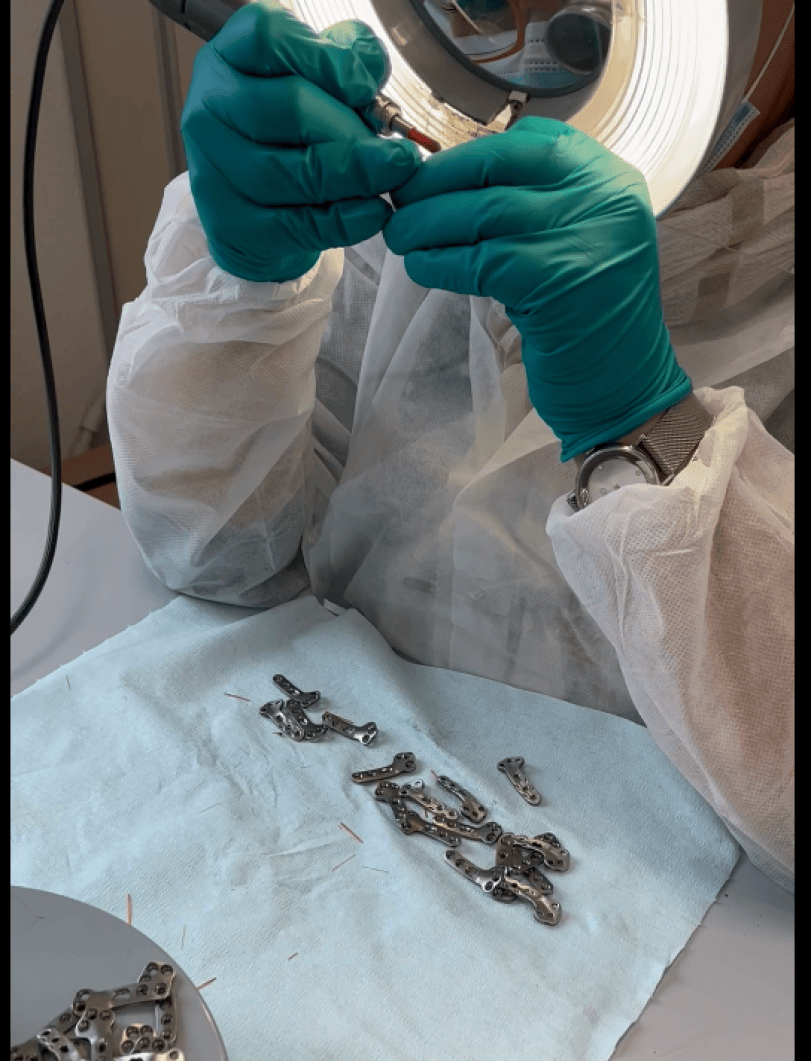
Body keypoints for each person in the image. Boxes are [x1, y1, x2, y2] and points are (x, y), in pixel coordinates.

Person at [106, 3, 794, 890]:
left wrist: (647, 424)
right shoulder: (435, 144)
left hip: (704, 935)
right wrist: (242, 270)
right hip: (355, 825)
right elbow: (215, 553)